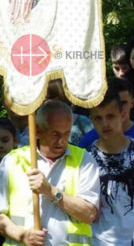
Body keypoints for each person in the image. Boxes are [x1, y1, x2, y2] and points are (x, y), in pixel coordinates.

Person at [0, 100, 100, 246]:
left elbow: (89, 214)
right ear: (37, 130)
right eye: (55, 134)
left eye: (66, 134)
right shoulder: (13, 161)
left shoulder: (84, 160)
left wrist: (51, 191)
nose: (62, 141)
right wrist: (23, 236)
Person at [87, 88, 134, 246]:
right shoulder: (86, 158)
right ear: (91, 120)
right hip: (101, 241)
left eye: (110, 116)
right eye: (98, 118)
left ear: (122, 114)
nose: (105, 124)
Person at [79, 78, 134, 152]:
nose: (120, 108)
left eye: (123, 103)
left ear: (132, 103)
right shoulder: (86, 144)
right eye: (113, 104)